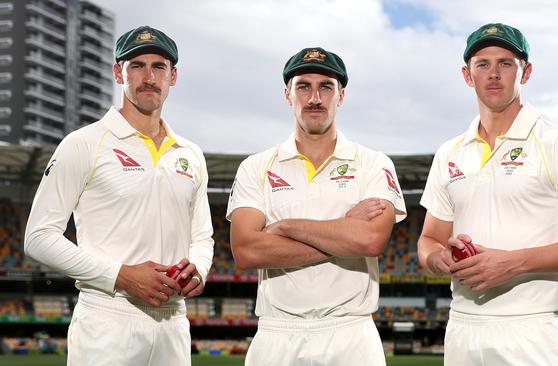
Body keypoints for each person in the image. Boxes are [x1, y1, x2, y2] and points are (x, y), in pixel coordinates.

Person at [417, 23, 558, 366]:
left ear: (525, 72)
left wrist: (512, 263)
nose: (493, 74)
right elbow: (429, 239)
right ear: (467, 75)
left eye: (506, 63)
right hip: (462, 326)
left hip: (529, 330)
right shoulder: (448, 152)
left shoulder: (556, 142)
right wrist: (438, 260)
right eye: (483, 64)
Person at [24, 25, 214, 366]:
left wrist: (198, 267)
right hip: (108, 318)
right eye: (136, 65)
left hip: (173, 322)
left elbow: (202, 235)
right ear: (118, 72)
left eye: (159, 67)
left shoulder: (190, 154)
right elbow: (38, 237)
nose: (149, 76)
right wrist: (120, 275)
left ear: (173, 76)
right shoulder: (84, 143)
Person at [227, 47, 407, 365]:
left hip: (351, 334)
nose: (314, 98)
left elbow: (370, 240)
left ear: (341, 95)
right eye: (303, 86)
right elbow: (247, 251)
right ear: (287, 95)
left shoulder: (374, 163)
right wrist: (343, 229)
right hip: (277, 335)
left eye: (326, 86)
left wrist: (285, 227)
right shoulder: (255, 167)